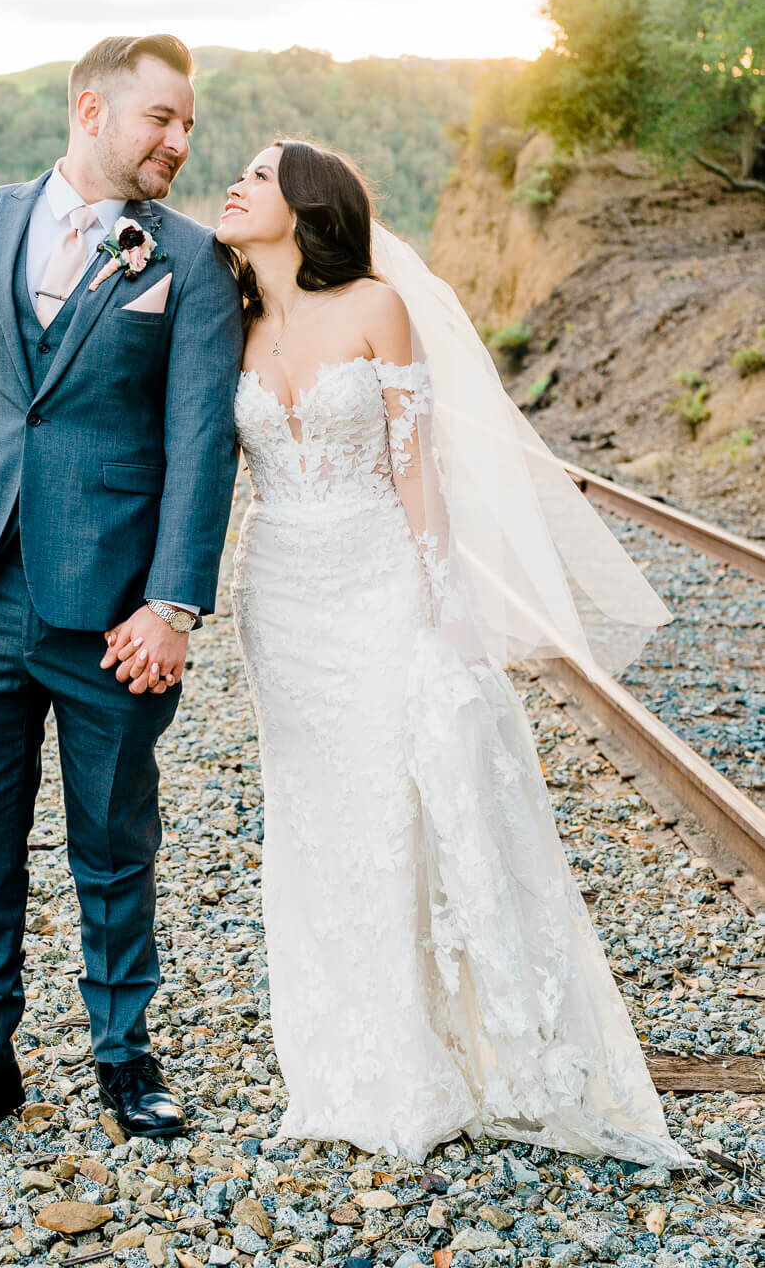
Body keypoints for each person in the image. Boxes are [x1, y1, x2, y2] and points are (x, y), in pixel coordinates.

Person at [216, 137, 696, 1167]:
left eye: (257, 175)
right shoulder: (231, 321)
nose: (235, 183)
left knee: (400, 807)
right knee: (313, 821)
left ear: (304, 204)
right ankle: (340, 1067)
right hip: (281, 596)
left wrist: (446, 602)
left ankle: (429, 1058)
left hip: (380, 581)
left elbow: (415, 466)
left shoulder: (376, 306)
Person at [0, 34, 242, 1163]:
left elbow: (198, 446)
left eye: (186, 124)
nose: (179, 142)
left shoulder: (189, 258)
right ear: (92, 109)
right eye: (160, 120)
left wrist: (173, 604)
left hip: (114, 616)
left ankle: (125, 1057)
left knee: (114, 843)